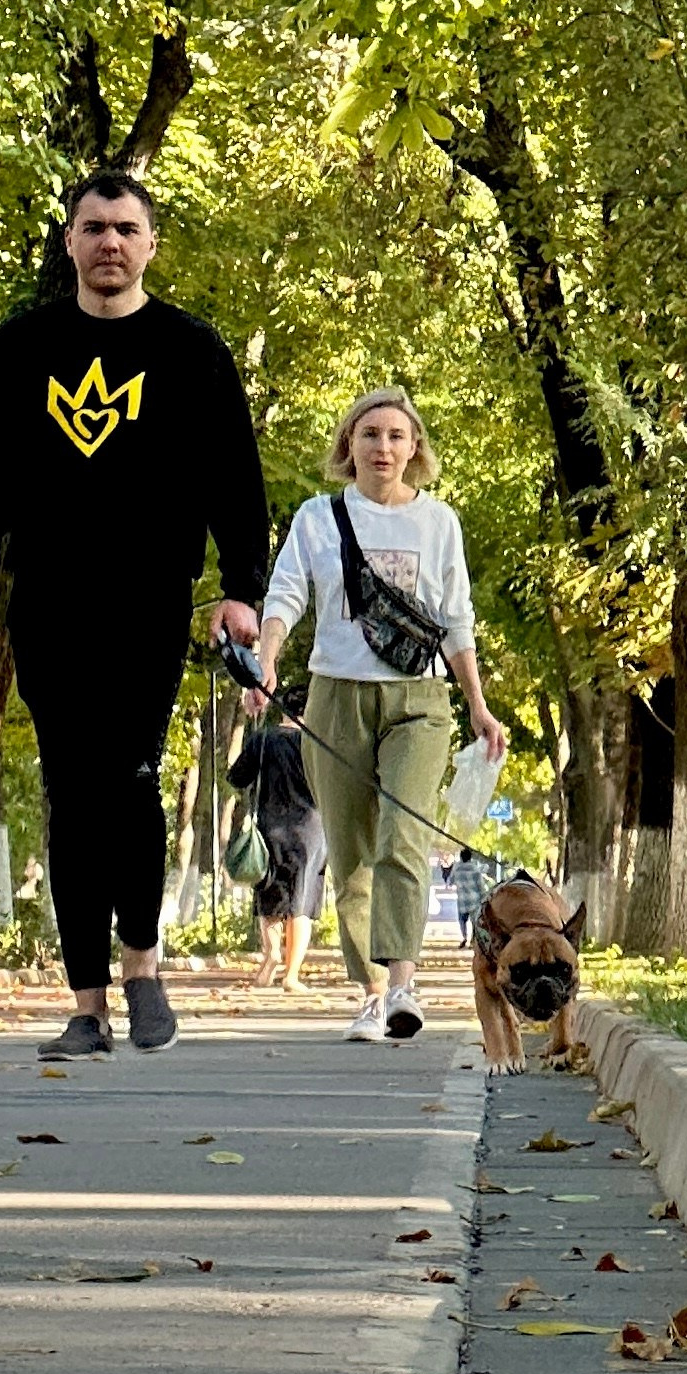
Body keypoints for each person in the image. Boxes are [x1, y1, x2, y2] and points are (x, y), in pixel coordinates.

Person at [0, 171, 268, 1058]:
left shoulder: (192, 351)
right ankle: (86, 1005)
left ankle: (143, 969)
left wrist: (243, 588)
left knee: (130, 778)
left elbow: (236, 482)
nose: (110, 243)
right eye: (93, 228)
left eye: (126, 228)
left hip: (149, 604)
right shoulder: (21, 348)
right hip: (49, 605)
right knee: (69, 791)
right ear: (70, 241)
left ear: (150, 242)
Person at [250, 385, 506, 1043]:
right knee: (353, 851)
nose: (383, 446)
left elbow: (456, 620)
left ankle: (401, 987)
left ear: (414, 447)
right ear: (349, 446)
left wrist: (476, 704)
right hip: (335, 696)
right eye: (370, 435)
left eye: (396, 435)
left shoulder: (436, 522)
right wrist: (266, 657)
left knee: (401, 836)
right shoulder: (316, 517)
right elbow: (284, 595)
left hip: (419, 701)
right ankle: (368, 993)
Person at [229, 686, 326, 990]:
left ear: (282, 709)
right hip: (310, 829)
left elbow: (237, 777)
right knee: (303, 898)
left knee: (268, 890)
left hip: (270, 825)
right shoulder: (319, 744)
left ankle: (270, 958)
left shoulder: (263, 739)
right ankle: (292, 975)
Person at [445, 841, 486, 946]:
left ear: (461, 857)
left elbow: (450, 881)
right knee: (474, 922)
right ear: (470, 857)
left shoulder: (457, 868)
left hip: (462, 900)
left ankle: (464, 937)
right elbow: (480, 885)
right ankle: (473, 941)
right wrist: (484, 897)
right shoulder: (475, 869)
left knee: (462, 921)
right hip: (474, 900)